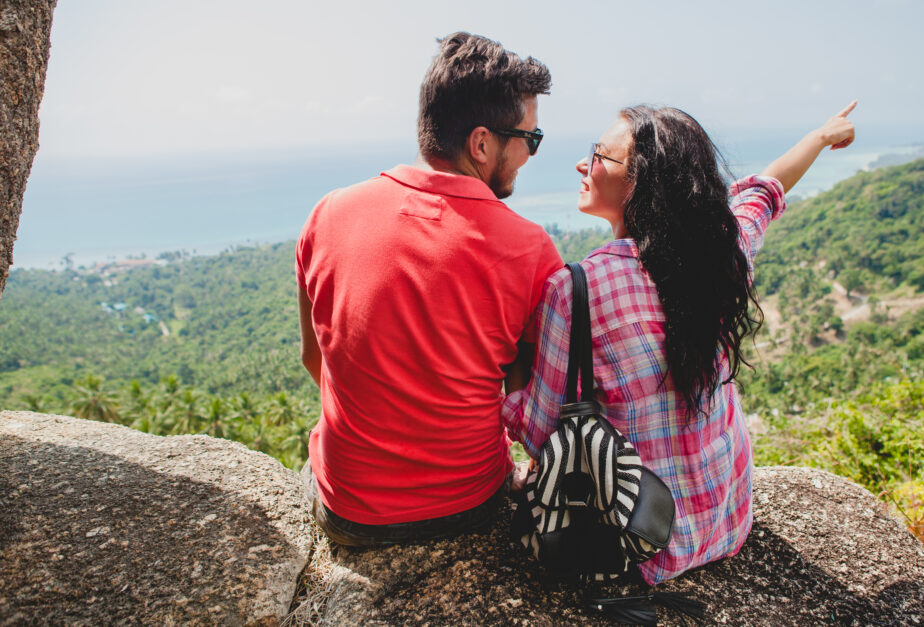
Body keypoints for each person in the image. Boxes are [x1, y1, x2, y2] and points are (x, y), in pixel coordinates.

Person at [502, 102, 856, 584]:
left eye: (600, 156)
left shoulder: (578, 291)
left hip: (640, 544)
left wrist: (515, 346)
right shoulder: (718, 253)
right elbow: (764, 193)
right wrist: (819, 136)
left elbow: (543, 433)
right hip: (726, 526)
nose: (584, 165)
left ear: (640, 183)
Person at [297, 32, 564, 546]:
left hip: (348, 509)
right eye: (529, 140)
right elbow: (532, 400)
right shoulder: (529, 250)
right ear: (482, 143)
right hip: (468, 504)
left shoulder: (328, 214)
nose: (531, 155)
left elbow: (316, 360)